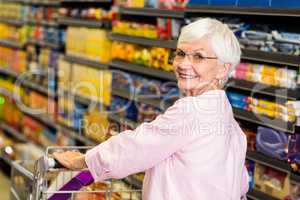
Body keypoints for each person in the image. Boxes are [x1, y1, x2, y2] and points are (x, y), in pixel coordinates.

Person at [53, 18, 249, 200]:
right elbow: (239, 187)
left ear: (224, 69)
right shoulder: (233, 128)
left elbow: (136, 146)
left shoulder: (193, 110)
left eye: (198, 56)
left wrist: (82, 161)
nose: (183, 64)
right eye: (180, 53)